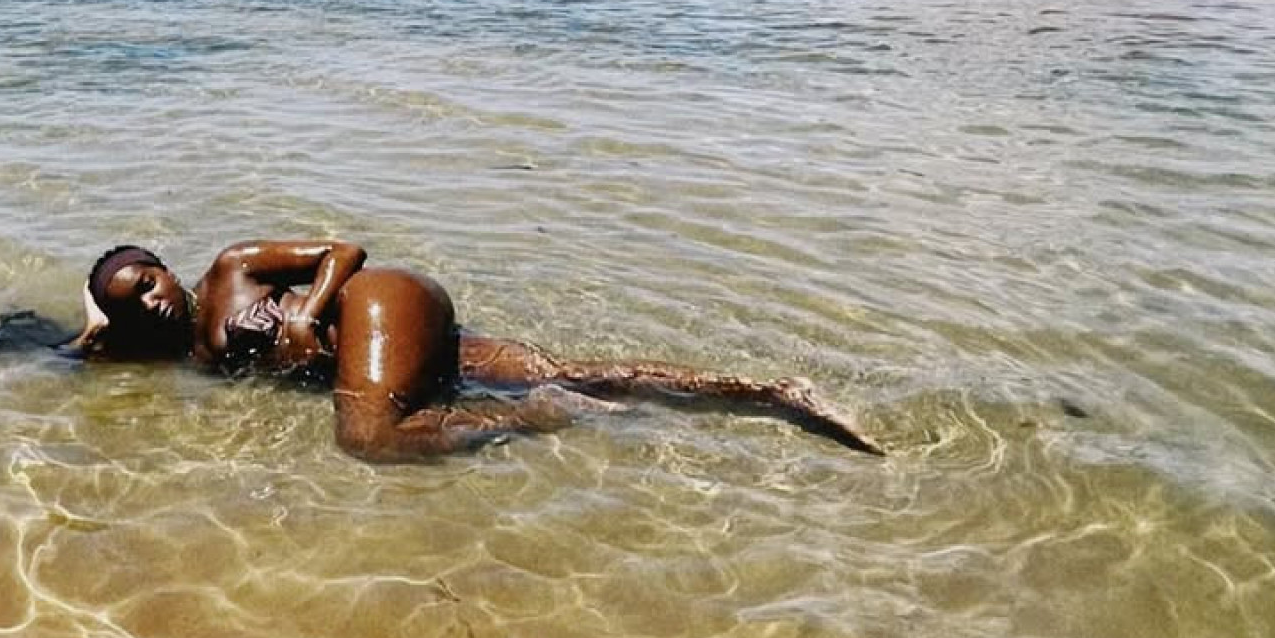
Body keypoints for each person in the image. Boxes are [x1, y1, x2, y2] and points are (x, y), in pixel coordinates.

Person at [59, 238, 880, 462]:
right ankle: (775, 393)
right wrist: (94, 325)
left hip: (374, 305)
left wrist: (305, 315)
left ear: (166, 263)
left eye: (150, 277)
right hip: (400, 352)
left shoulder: (233, 269)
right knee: (578, 368)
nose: (154, 297)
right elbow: (71, 354)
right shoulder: (183, 357)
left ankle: (544, 419)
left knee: (371, 438)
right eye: (134, 300)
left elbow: (345, 250)